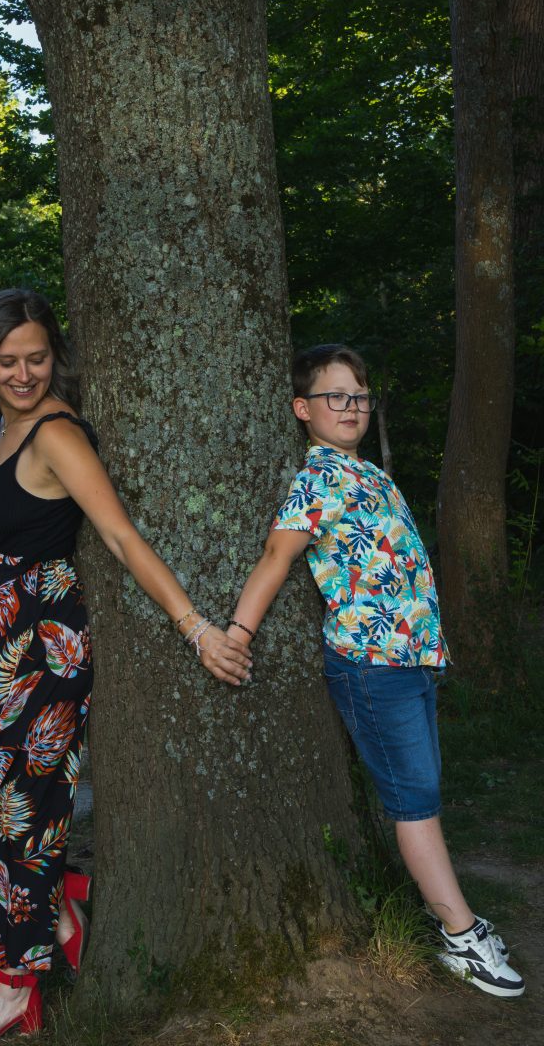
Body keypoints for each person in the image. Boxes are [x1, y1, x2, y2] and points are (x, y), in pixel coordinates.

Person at [0, 288, 252, 1046]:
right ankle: (55, 902)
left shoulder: (56, 433)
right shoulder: (0, 423)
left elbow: (119, 536)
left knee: (12, 812)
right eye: (7, 361)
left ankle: (13, 989)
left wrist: (194, 628)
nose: (23, 374)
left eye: (37, 358)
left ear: (56, 356)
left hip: (37, 647)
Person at [225, 343, 524, 999]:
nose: (350, 407)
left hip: (409, 661)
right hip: (371, 665)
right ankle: (461, 935)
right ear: (302, 408)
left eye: (359, 396)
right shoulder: (318, 479)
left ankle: (449, 915)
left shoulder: (370, 475)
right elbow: (277, 556)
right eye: (334, 396)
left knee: (424, 790)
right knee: (414, 802)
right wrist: (238, 634)